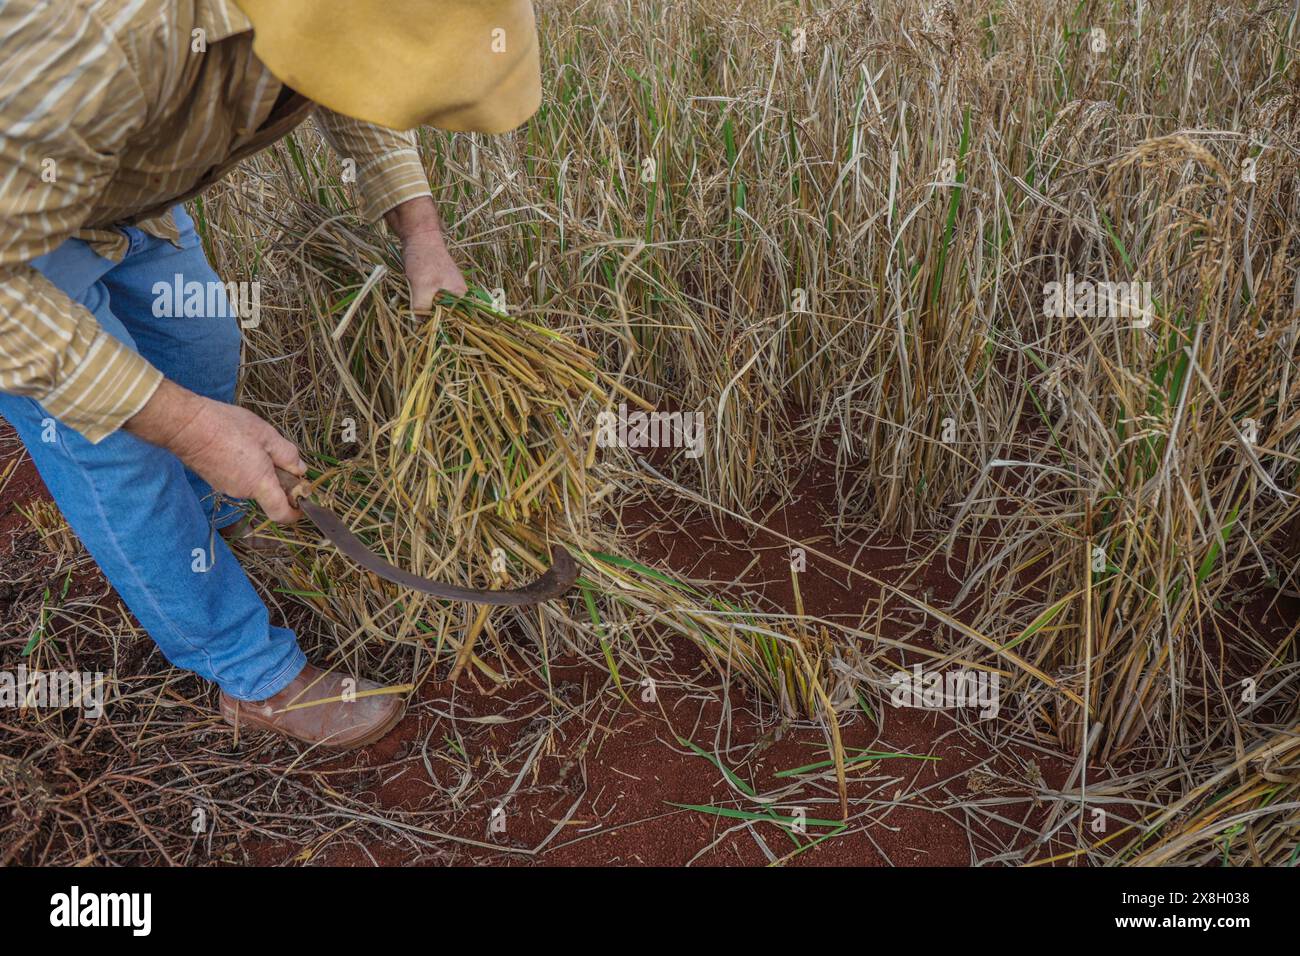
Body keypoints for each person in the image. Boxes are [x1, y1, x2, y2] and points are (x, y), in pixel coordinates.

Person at [0, 0, 540, 749]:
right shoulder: (110, 38)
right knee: (120, 450)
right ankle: (251, 675)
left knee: (202, 348)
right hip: (14, 241)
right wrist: (187, 428)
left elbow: (357, 75)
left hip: (126, 192)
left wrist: (421, 234)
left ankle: (206, 530)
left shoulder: (319, 20)